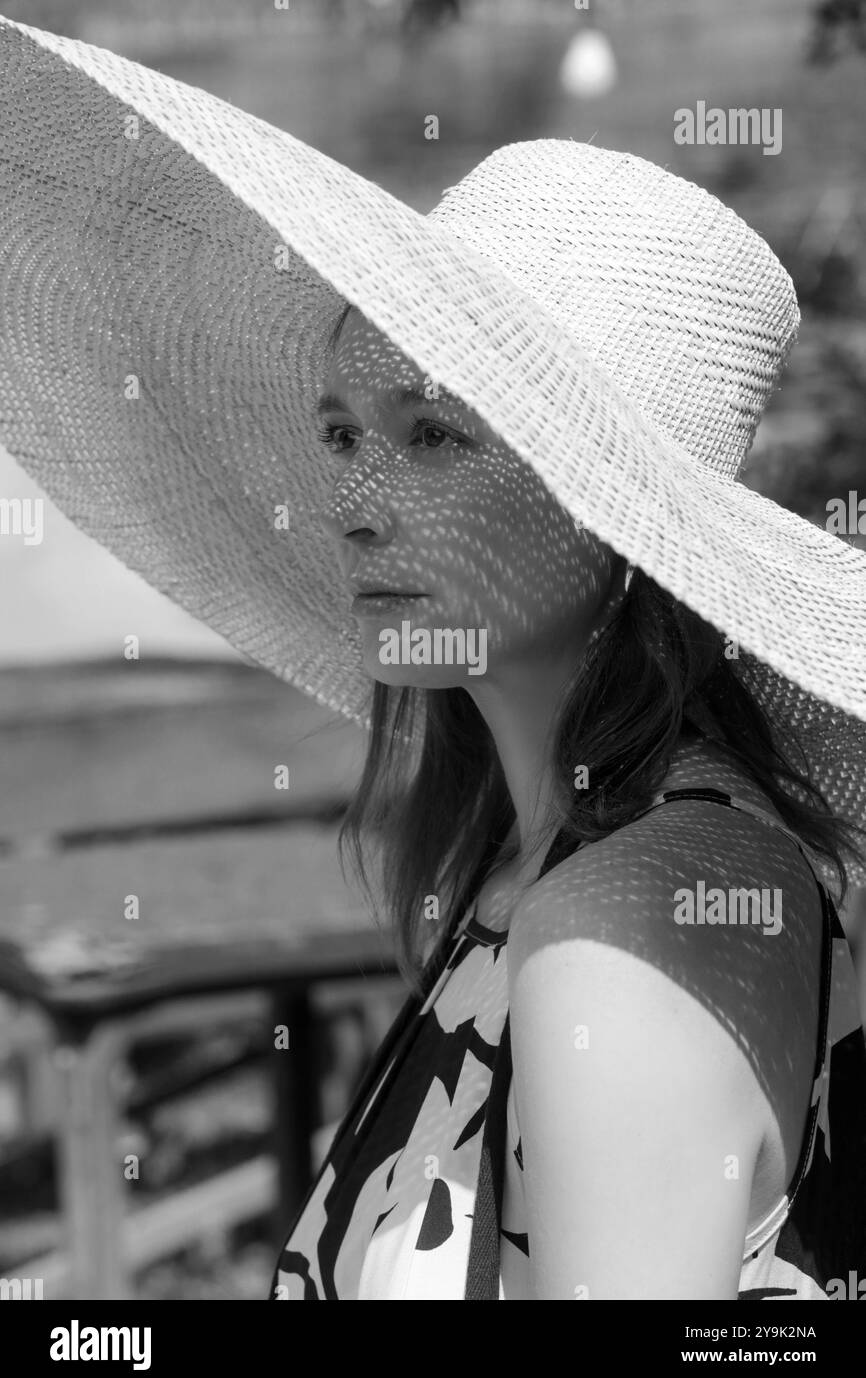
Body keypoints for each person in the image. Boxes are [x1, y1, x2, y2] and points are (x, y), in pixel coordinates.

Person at [1, 14, 865, 1301]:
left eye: (436, 437)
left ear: (617, 513)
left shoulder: (626, 921)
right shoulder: (545, 855)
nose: (350, 499)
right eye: (345, 434)